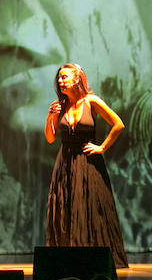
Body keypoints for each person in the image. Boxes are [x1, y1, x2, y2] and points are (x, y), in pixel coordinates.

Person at [44, 63, 128, 268]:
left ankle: (93, 259)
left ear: (77, 79)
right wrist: (51, 116)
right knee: (66, 209)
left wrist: (102, 148)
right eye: (59, 78)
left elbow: (118, 124)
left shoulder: (91, 101)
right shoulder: (60, 106)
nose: (60, 81)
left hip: (88, 163)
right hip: (65, 163)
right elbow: (49, 138)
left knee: (89, 209)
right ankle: (68, 258)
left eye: (64, 77)